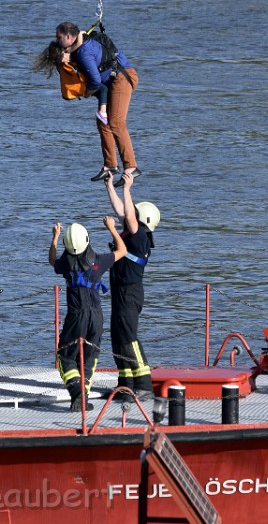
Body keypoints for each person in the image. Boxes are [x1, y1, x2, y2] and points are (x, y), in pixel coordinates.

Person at [49, 217, 126, 412]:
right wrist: (112, 229)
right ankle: (83, 392)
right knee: (90, 356)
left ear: (68, 245)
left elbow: (52, 260)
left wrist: (55, 237)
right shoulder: (99, 261)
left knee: (65, 356)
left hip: (76, 316)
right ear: (87, 240)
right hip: (97, 317)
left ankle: (77, 392)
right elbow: (122, 250)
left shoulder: (65, 264)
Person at [54, 21, 141, 186]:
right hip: (114, 80)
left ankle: (131, 167)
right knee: (103, 122)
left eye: (59, 37)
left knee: (116, 122)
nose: (57, 41)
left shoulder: (83, 53)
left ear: (68, 36)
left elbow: (94, 81)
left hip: (123, 78)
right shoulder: (81, 39)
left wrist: (87, 93)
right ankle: (110, 165)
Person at [104, 171, 160, 404]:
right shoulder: (132, 231)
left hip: (130, 293)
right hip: (120, 291)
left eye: (134, 215)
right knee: (117, 338)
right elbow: (122, 211)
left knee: (129, 338)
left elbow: (128, 213)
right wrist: (109, 186)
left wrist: (127, 188)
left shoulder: (140, 238)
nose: (128, 216)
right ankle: (125, 385)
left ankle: (144, 385)